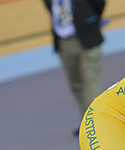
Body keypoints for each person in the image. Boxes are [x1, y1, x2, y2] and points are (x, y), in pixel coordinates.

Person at [43, 0, 105, 134]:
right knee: (76, 84)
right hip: (64, 42)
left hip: (87, 38)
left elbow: (99, 3)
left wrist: (91, 21)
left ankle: (95, 124)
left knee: (90, 82)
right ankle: (87, 122)